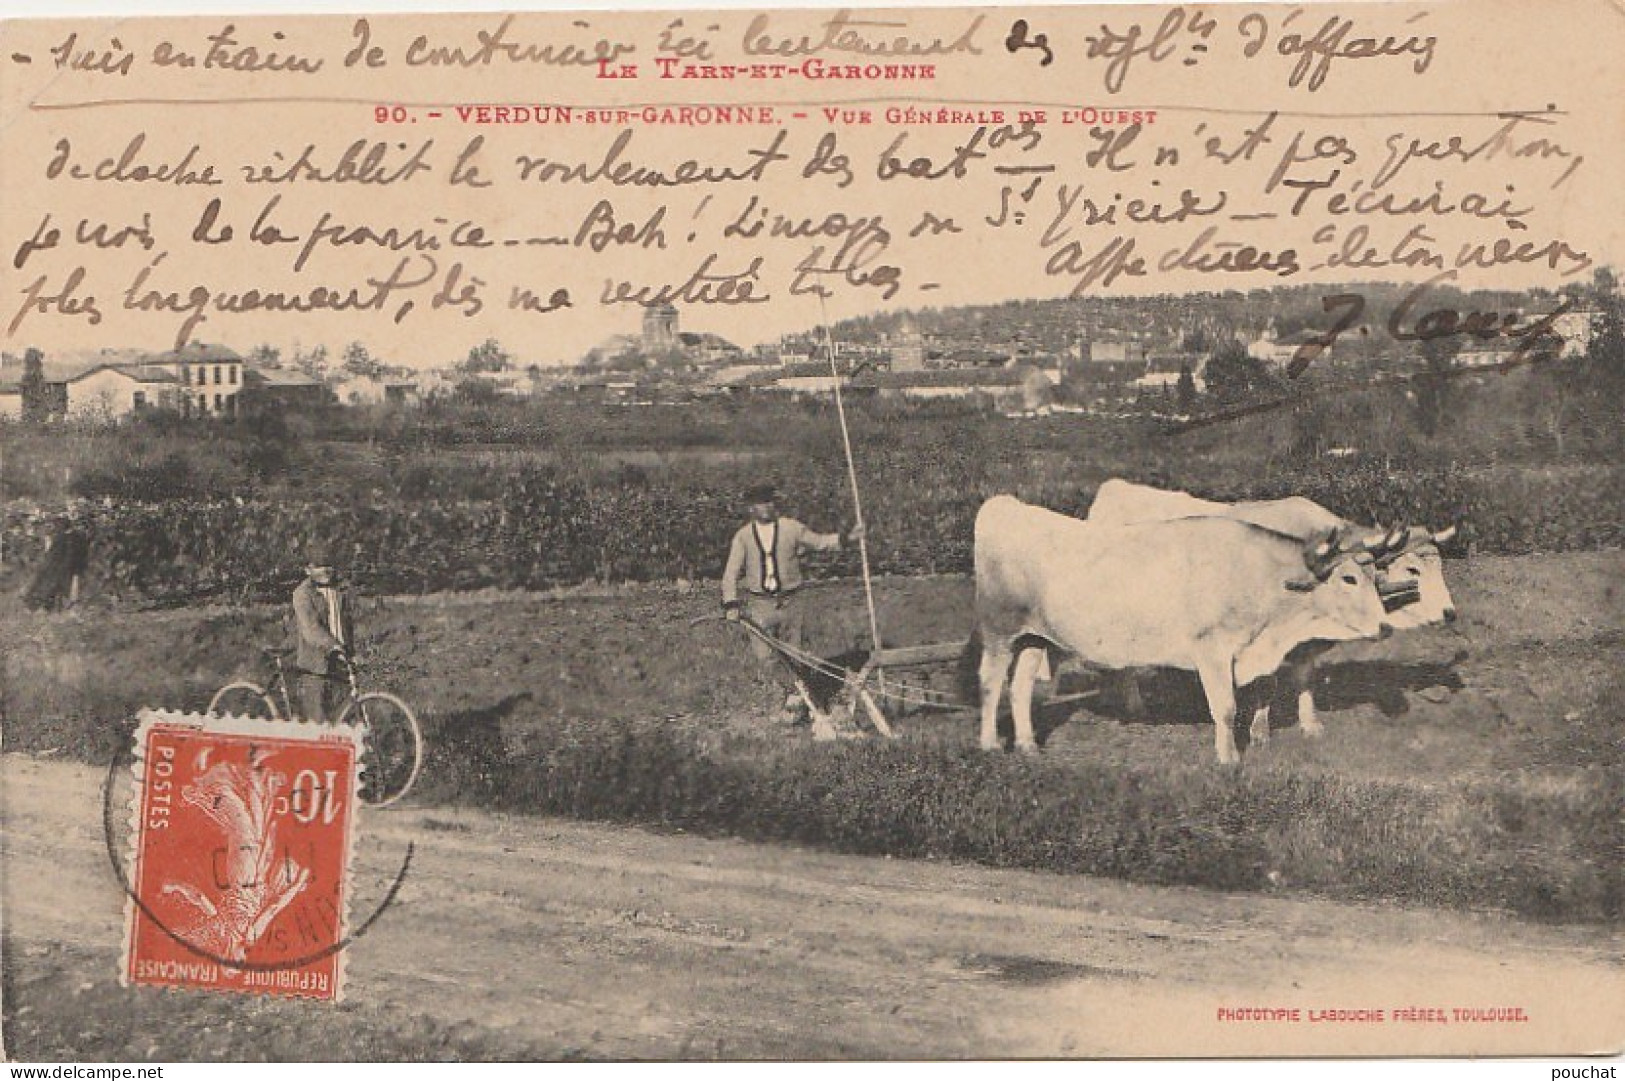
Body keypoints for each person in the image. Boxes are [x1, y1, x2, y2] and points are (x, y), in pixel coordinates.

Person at [721, 483, 863, 724]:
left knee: (794, 653)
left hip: (791, 601)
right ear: (751, 508)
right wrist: (730, 603)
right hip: (760, 603)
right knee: (765, 656)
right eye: (760, 503)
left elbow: (819, 542)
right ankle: (793, 694)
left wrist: (848, 538)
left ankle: (800, 703)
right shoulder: (743, 537)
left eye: (769, 501)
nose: (766, 507)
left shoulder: (791, 528)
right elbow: (731, 572)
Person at [291, 543, 353, 723]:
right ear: (308, 570)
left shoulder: (340, 592)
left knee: (344, 721)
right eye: (319, 566)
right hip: (316, 667)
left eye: (329, 566)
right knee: (317, 725)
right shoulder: (302, 594)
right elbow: (311, 629)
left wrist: (350, 651)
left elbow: (348, 625)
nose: (326, 571)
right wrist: (332, 646)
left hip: (340, 664)